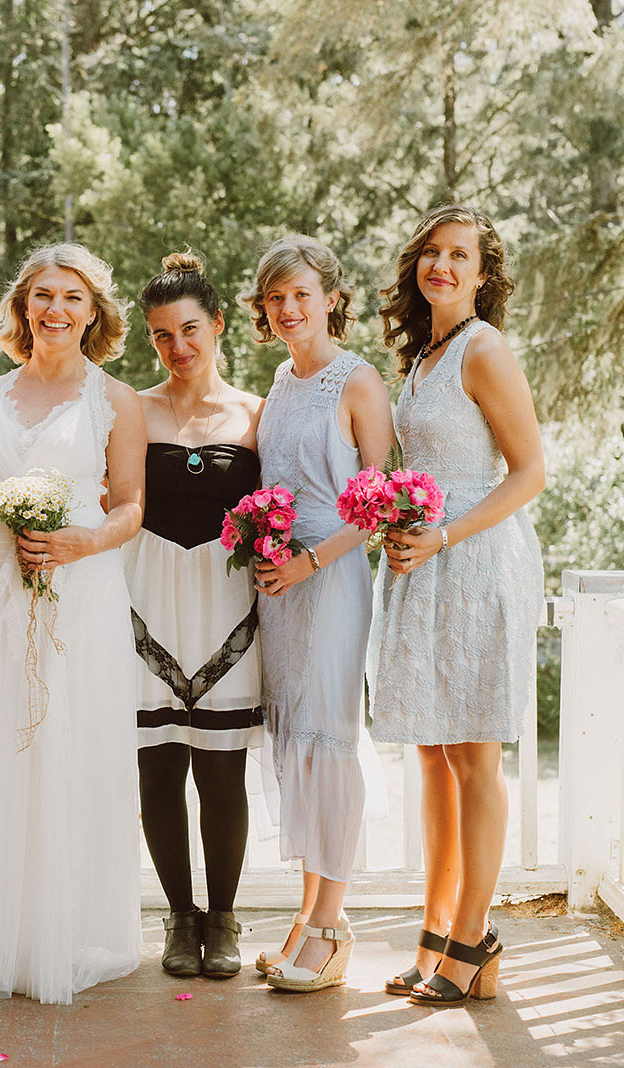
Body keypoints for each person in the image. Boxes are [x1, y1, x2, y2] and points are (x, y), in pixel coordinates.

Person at [0, 243, 148, 1005]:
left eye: (73, 298)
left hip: (77, 599)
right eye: (44, 295)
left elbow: (130, 507)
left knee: (67, 752)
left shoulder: (116, 400)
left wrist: (83, 540)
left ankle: (63, 932)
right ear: (24, 305)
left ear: (94, 313)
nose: (56, 310)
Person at [372, 205, 544, 1006]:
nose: (441, 265)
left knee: (476, 757)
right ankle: (435, 934)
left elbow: (528, 471)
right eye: (431, 253)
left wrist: (443, 536)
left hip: (476, 562)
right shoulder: (424, 354)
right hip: (424, 563)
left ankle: (474, 938)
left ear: (482, 274)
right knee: (432, 755)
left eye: (459, 256)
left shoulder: (484, 349)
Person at [246, 236, 395, 993]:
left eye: (301, 294)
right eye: (275, 298)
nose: (289, 309)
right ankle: (305, 918)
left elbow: (381, 504)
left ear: (332, 297)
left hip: (331, 580)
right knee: (294, 737)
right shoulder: (278, 381)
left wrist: (309, 559)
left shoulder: (358, 383)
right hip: (280, 585)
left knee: (329, 736)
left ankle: (334, 928)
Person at [125, 251, 264, 979]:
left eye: (188, 330)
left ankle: (224, 916)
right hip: (145, 598)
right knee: (157, 769)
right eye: (159, 335)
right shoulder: (132, 409)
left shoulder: (253, 415)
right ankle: (179, 916)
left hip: (225, 602)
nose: (176, 348)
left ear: (217, 325)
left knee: (220, 771)